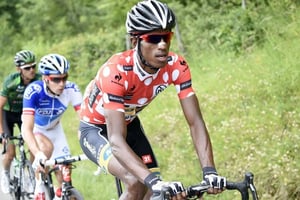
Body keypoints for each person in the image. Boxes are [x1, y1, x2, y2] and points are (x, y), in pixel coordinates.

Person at [79, 0, 226, 199]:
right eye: (154, 38)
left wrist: (209, 172)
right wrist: (152, 181)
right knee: (136, 182)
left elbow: (195, 122)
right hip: (97, 130)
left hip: (130, 124)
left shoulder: (176, 65)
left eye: (166, 37)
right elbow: (115, 140)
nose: (162, 45)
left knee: (154, 193)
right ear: (134, 41)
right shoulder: (115, 71)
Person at [21, 53, 82, 199]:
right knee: (45, 151)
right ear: (45, 78)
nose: (62, 83)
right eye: (56, 79)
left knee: (64, 172)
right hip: (37, 129)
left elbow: (85, 120)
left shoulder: (71, 89)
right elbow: (26, 128)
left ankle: (60, 194)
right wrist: (37, 153)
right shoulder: (34, 91)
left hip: (56, 130)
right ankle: (39, 187)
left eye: (64, 78)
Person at [0, 50, 41, 194]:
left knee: (34, 146)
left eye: (33, 67)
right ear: (19, 69)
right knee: (10, 153)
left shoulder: (39, 79)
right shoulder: (11, 82)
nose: (32, 70)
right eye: (27, 68)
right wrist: (1, 132)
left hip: (25, 114)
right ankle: (4, 174)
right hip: (8, 114)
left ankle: (29, 173)